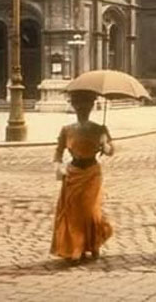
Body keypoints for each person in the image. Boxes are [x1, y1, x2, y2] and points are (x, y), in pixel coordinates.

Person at [51, 91, 114, 264]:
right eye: (78, 105)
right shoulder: (67, 130)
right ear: (74, 106)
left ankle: (94, 243)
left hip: (92, 173)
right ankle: (75, 249)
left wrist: (105, 143)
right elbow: (58, 152)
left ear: (91, 107)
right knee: (73, 213)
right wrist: (58, 167)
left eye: (85, 105)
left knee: (91, 212)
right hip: (73, 173)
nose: (82, 109)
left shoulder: (99, 129)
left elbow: (111, 151)